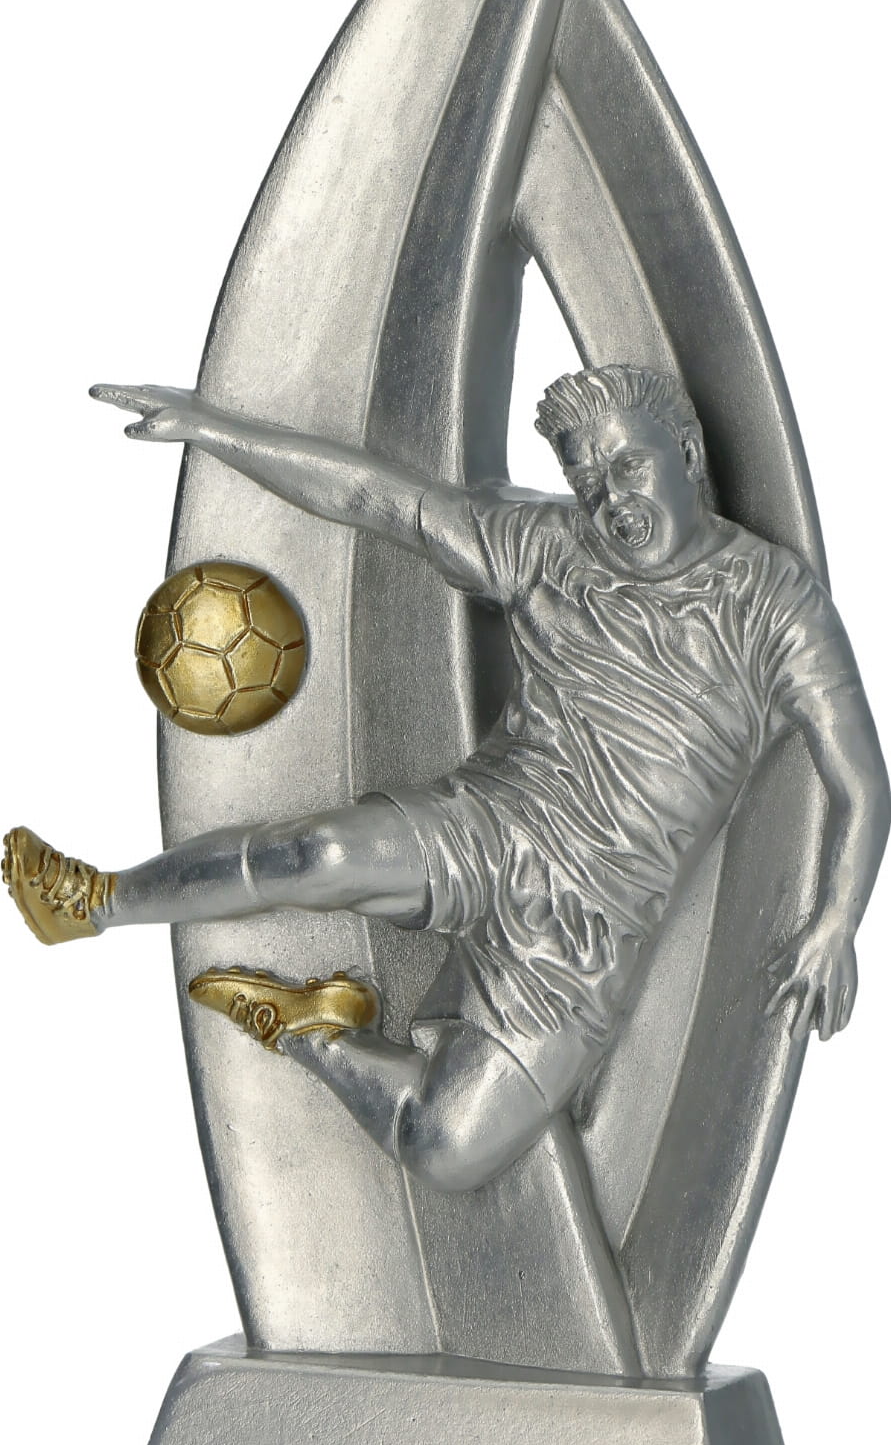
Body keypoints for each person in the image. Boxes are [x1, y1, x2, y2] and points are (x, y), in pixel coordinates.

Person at [5, 365, 888, 1192]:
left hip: (584, 931)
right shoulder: (544, 544)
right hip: (491, 827)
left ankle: (313, 1027)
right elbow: (378, 499)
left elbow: (859, 780)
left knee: (444, 1146)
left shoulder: (775, 602)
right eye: (586, 480)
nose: (609, 500)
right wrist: (213, 430)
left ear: (686, 453)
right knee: (314, 853)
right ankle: (93, 899)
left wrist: (835, 922)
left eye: (627, 466)